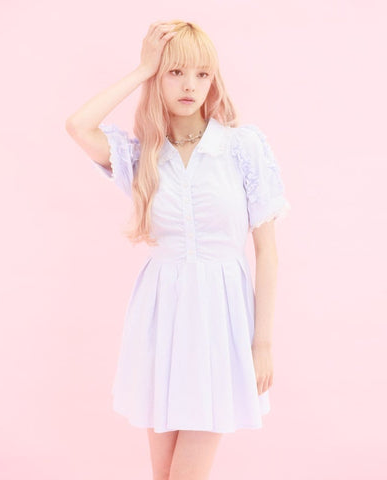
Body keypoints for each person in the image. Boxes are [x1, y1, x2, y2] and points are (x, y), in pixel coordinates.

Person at [66, 19, 291, 480]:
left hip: (222, 321)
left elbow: (266, 252)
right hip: (161, 319)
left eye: (202, 73)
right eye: (176, 72)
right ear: (158, 77)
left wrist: (263, 342)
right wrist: (142, 68)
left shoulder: (241, 147)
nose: (190, 85)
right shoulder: (142, 156)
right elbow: (77, 125)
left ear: (213, 80)